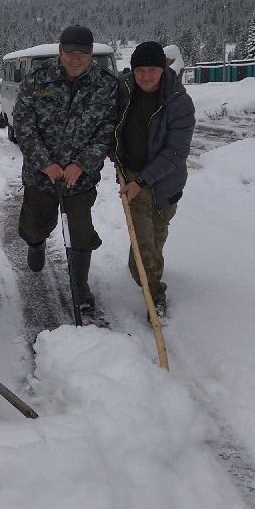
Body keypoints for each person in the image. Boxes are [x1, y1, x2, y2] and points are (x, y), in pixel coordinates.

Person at [13, 25, 118, 311]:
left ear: (90, 53)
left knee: (80, 233)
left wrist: (81, 164)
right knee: (35, 226)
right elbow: (23, 126)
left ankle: (80, 285)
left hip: (79, 180)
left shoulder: (106, 84)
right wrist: (45, 163)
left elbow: (107, 131)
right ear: (60, 51)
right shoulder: (37, 80)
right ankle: (36, 245)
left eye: (82, 53)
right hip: (40, 176)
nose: (76, 58)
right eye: (70, 52)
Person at [114, 41, 195, 320]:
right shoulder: (122, 90)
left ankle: (140, 266)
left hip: (168, 180)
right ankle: (155, 297)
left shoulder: (179, 101)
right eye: (140, 70)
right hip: (133, 175)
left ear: (163, 69)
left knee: (156, 236)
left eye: (152, 70)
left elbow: (177, 151)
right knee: (145, 243)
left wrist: (145, 179)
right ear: (132, 70)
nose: (145, 76)